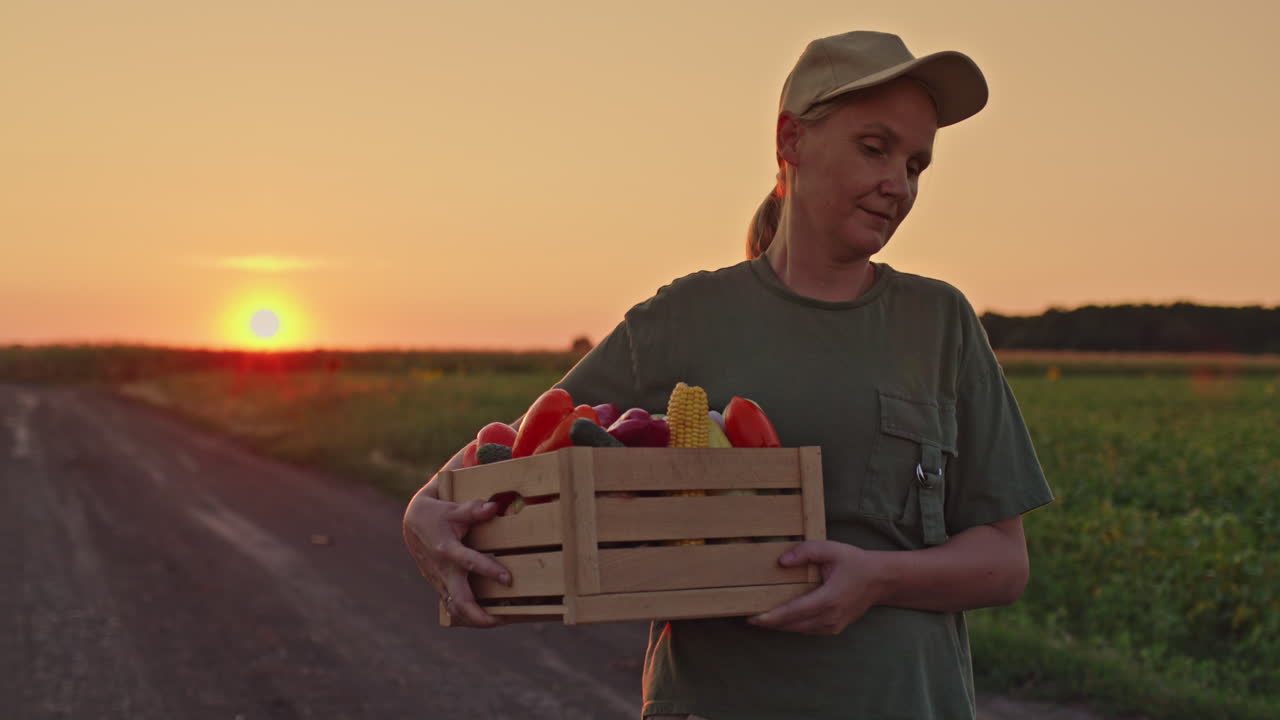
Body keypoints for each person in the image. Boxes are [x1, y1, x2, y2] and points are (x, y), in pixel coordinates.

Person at [403, 30, 1054, 720]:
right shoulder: (686, 316)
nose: (898, 182)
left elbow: (1002, 564)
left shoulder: (939, 322)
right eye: (875, 148)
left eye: (917, 163)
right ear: (791, 141)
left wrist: (877, 577)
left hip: (906, 700)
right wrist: (422, 513)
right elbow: (519, 450)